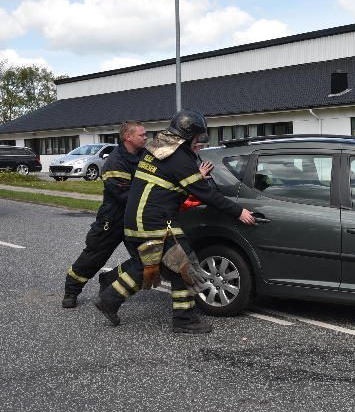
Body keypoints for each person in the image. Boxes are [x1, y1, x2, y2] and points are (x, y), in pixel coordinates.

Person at [94, 110, 256, 333]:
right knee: (184, 266)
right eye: (198, 137)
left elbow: (169, 181)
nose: (199, 141)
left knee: (148, 266)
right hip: (156, 223)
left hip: (137, 219)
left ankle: (109, 300)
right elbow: (205, 194)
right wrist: (238, 211)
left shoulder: (157, 149)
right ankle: (184, 320)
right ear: (190, 135)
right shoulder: (179, 157)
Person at [61, 121, 146, 308]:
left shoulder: (145, 156)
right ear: (128, 137)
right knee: (94, 256)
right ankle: (71, 289)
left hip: (135, 218)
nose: (146, 137)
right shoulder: (115, 162)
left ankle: (109, 279)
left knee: (144, 258)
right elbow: (124, 195)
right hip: (113, 219)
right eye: (141, 135)